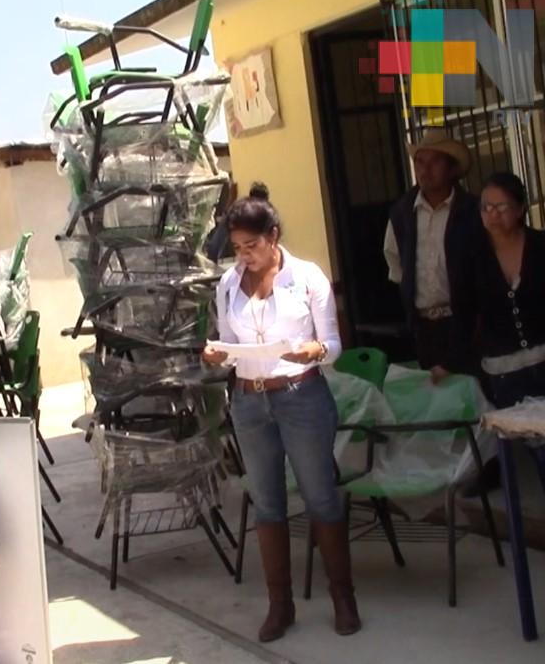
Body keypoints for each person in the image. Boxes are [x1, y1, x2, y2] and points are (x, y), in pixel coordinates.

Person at [203, 184, 359, 641]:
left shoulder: (308, 277)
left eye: (252, 246)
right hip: (249, 401)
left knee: (320, 497)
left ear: (273, 236)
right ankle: (280, 604)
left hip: (301, 397)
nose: (244, 256)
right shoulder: (228, 283)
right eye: (236, 248)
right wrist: (217, 354)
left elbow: (332, 344)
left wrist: (314, 350)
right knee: (267, 503)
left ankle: (343, 599)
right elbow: (230, 345)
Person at [383, 128, 482, 381]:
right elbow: (395, 262)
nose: (425, 170)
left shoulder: (471, 211)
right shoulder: (403, 212)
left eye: (435, 161)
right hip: (424, 328)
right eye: (420, 162)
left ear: (451, 168)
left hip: (467, 323)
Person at [451, 172, 545, 408]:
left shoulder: (540, 246)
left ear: (520, 208)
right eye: (486, 207)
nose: (493, 214)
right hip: (502, 372)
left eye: (501, 207)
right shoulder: (472, 256)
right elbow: (464, 311)